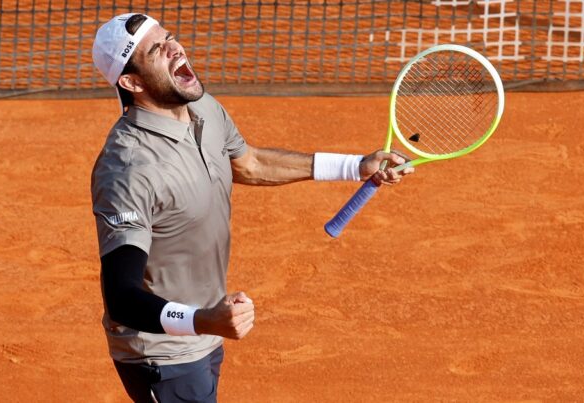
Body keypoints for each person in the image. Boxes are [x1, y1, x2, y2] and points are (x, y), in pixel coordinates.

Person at [90, 13, 415, 403]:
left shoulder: (203, 109)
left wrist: (355, 166)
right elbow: (122, 297)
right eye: (157, 50)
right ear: (132, 82)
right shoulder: (128, 169)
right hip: (162, 352)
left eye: (170, 38)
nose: (176, 48)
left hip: (208, 329)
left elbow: (250, 163)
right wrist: (201, 319)